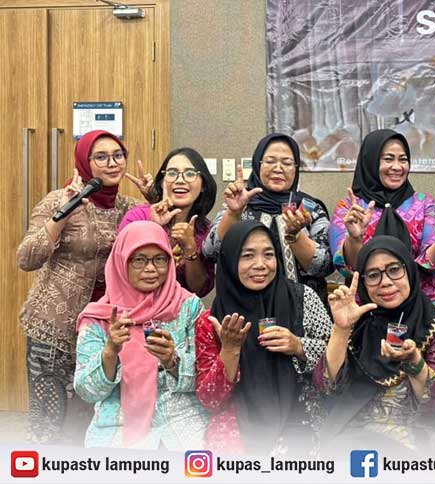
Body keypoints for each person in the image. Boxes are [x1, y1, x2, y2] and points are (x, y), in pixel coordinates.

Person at [16, 130, 142, 444]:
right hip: (54, 329)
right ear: (85, 163)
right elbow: (27, 258)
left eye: (118, 155)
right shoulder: (59, 200)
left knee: (88, 423)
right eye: (101, 157)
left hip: (101, 332)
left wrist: (154, 199)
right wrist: (65, 212)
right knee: (50, 423)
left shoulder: (130, 208)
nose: (112, 163)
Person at [194, 220, 332, 455]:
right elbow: (211, 400)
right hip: (239, 425)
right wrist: (230, 351)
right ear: (229, 261)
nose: (260, 265)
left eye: (268, 254)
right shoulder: (213, 321)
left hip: (303, 417)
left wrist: (299, 346)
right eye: (247, 256)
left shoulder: (302, 299)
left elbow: (338, 368)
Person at [314, 236, 435, 452]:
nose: (386, 282)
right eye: (373, 275)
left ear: (409, 271)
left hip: (412, 444)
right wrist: (341, 329)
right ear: (363, 283)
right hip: (350, 437)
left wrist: (415, 363)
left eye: (394, 270)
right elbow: (324, 386)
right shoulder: (357, 322)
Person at [73, 221, 207, 449]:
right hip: (118, 425)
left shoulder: (188, 306)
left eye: (160, 259)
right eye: (139, 260)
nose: (151, 269)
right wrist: (110, 353)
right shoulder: (99, 317)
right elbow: (87, 391)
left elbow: (207, 377)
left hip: (181, 419)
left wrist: (173, 362)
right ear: (121, 261)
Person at [330, 129, 435, 314]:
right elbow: (349, 268)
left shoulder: (423, 203)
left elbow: (431, 263)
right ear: (370, 161)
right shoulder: (350, 208)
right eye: (388, 159)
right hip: (367, 311)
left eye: (403, 159)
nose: (397, 167)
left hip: (423, 309)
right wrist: (355, 239)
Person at [204, 134, 333, 302]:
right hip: (244, 307)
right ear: (257, 165)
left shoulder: (309, 209)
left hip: (302, 309)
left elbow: (324, 266)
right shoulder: (240, 203)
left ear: (296, 169)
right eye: (270, 161)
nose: (278, 168)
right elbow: (210, 252)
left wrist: (296, 236)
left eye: (287, 163)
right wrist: (233, 213)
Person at [118, 147, 218, 296]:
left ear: (203, 185)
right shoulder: (137, 217)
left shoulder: (206, 230)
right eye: (172, 173)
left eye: (190, 173)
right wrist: (155, 228)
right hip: (133, 304)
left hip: (180, 308)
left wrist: (190, 248)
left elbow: (199, 289)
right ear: (161, 182)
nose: (180, 180)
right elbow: (121, 268)